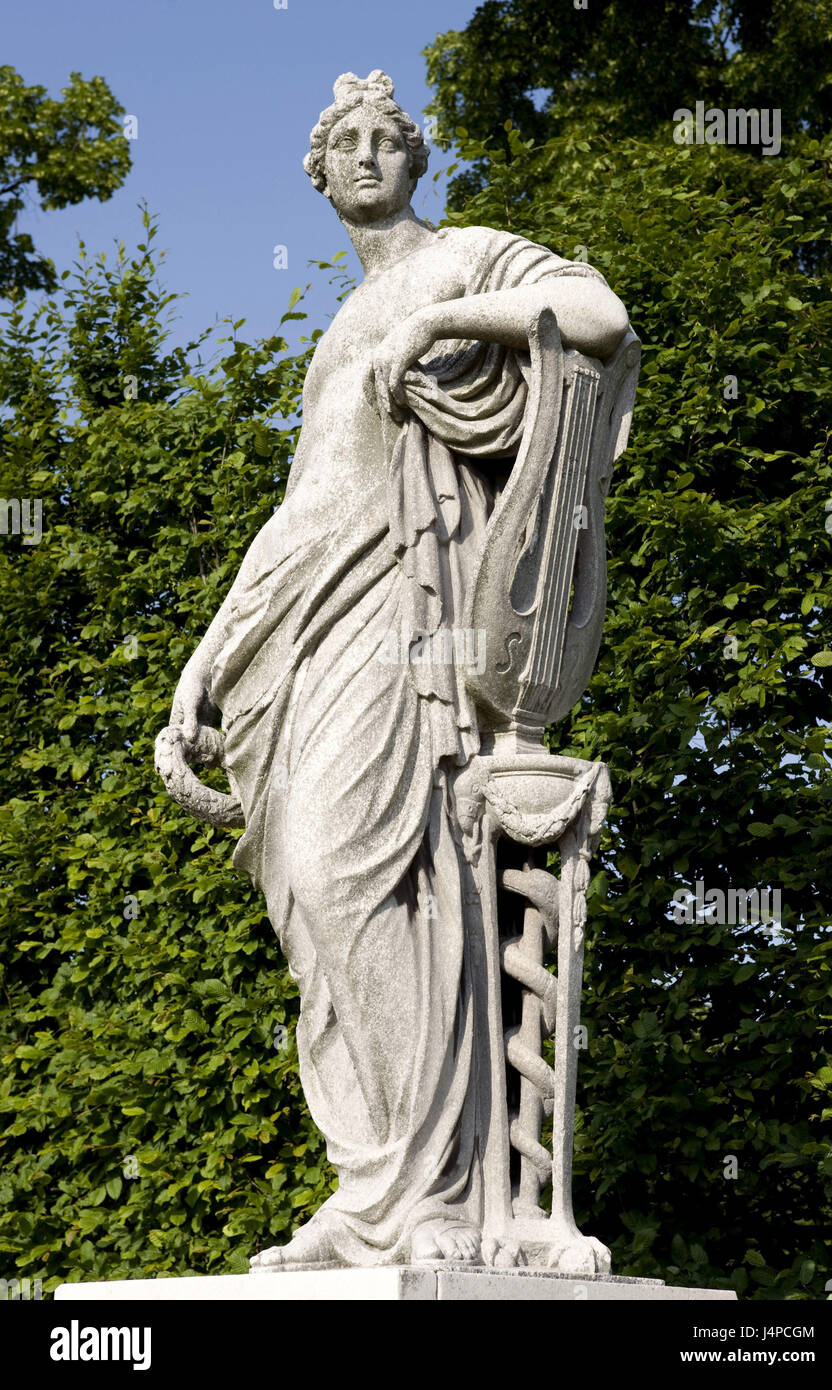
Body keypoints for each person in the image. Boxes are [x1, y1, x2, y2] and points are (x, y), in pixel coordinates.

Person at [169, 70, 628, 1269]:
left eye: (387, 139)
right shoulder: (331, 332)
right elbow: (300, 506)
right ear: (318, 178)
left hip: (409, 612)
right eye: (344, 145)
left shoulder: (468, 255)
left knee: (353, 874)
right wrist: (206, 660)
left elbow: (599, 319)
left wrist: (443, 324)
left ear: (416, 161)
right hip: (308, 621)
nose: (367, 157)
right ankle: (374, 1181)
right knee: (313, 906)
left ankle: (430, 1187)